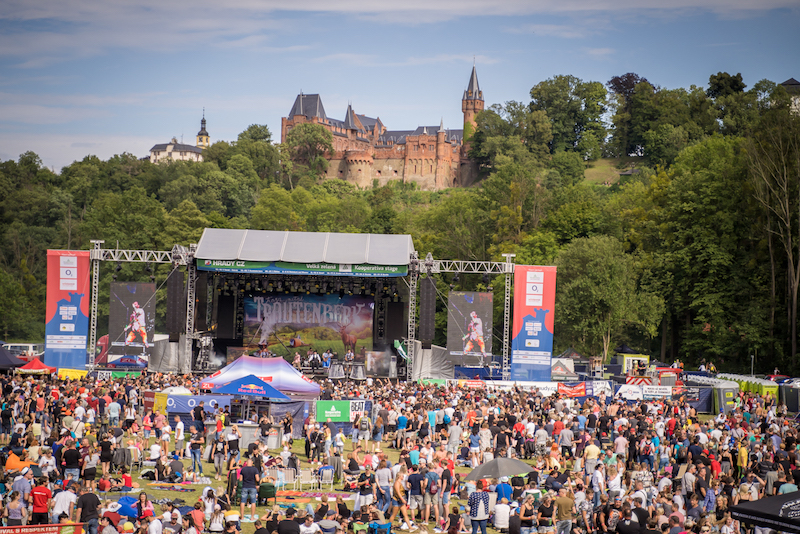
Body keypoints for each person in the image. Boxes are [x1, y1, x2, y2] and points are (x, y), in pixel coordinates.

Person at [239, 457, 260, 522]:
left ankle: (242, 517)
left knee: (242, 502)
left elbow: (240, 479)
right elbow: (257, 479)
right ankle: (252, 517)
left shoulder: (243, 469)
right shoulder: (255, 469)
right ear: (252, 463)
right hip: (252, 487)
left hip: (245, 486)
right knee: (253, 502)